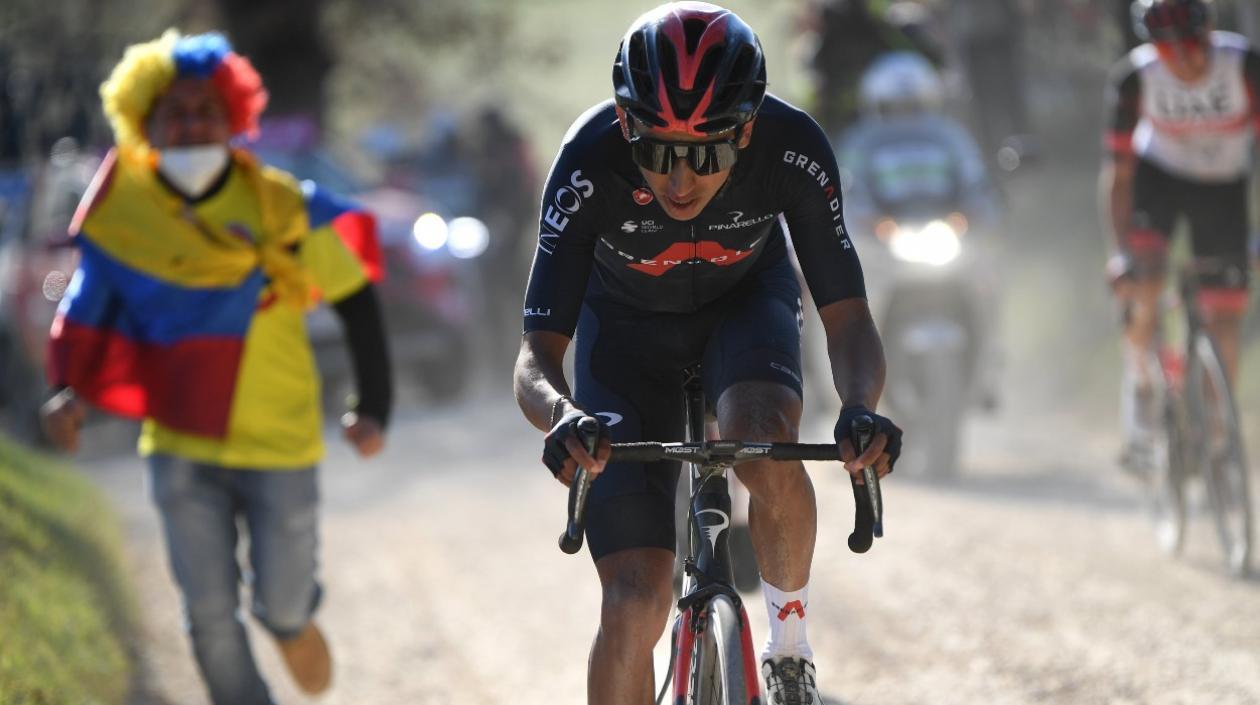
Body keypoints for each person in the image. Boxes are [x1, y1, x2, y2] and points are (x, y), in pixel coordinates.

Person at [513, 4, 902, 703]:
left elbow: (847, 317)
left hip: (743, 306)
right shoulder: (587, 160)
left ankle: (788, 657)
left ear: (747, 130)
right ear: (627, 126)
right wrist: (562, 414)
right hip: (624, 334)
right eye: (659, 150)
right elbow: (536, 354)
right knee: (633, 601)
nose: (681, 181)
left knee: (762, 439)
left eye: (710, 152)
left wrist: (859, 409)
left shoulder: (793, 147)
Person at [39, 31, 392, 705]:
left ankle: (291, 622)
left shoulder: (282, 205)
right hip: (178, 442)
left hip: (280, 441)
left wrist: (373, 405)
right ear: (147, 123)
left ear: (234, 116)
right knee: (206, 615)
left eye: (206, 107)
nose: (193, 121)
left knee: (281, 603)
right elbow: (85, 316)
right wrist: (63, 389)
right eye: (176, 110)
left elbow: (355, 301)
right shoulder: (125, 217)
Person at [1102, 0, 1259, 461]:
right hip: (1159, 180)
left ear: (1210, 31)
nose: (1184, 59)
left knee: (1225, 313)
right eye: (1169, 50)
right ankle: (1142, 384)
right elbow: (1118, 175)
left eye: (1192, 46)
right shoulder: (1135, 77)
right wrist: (1120, 253)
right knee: (1144, 278)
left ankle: (1215, 428)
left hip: (1223, 185)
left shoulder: (1245, 65)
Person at [838, 51, 1004, 409]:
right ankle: (849, 381)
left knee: (988, 286)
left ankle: (988, 373)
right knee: (847, 304)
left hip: (947, 240)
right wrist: (870, 223)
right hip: (885, 249)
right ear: (876, 106)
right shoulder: (860, 143)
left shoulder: (952, 139)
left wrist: (975, 213)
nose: (905, 116)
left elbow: (977, 184)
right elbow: (848, 192)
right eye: (895, 107)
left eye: (913, 105)